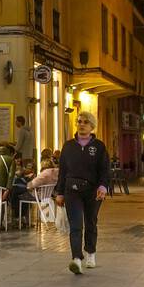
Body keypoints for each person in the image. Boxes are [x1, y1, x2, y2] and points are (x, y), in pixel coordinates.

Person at [54, 111, 111, 274]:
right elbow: (63, 171)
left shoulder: (99, 146)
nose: (81, 124)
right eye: (79, 121)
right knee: (76, 225)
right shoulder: (68, 146)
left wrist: (103, 186)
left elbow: (104, 170)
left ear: (92, 126)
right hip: (72, 191)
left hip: (93, 191)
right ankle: (77, 259)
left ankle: (90, 253)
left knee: (91, 222)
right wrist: (60, 192)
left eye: (85, 122)